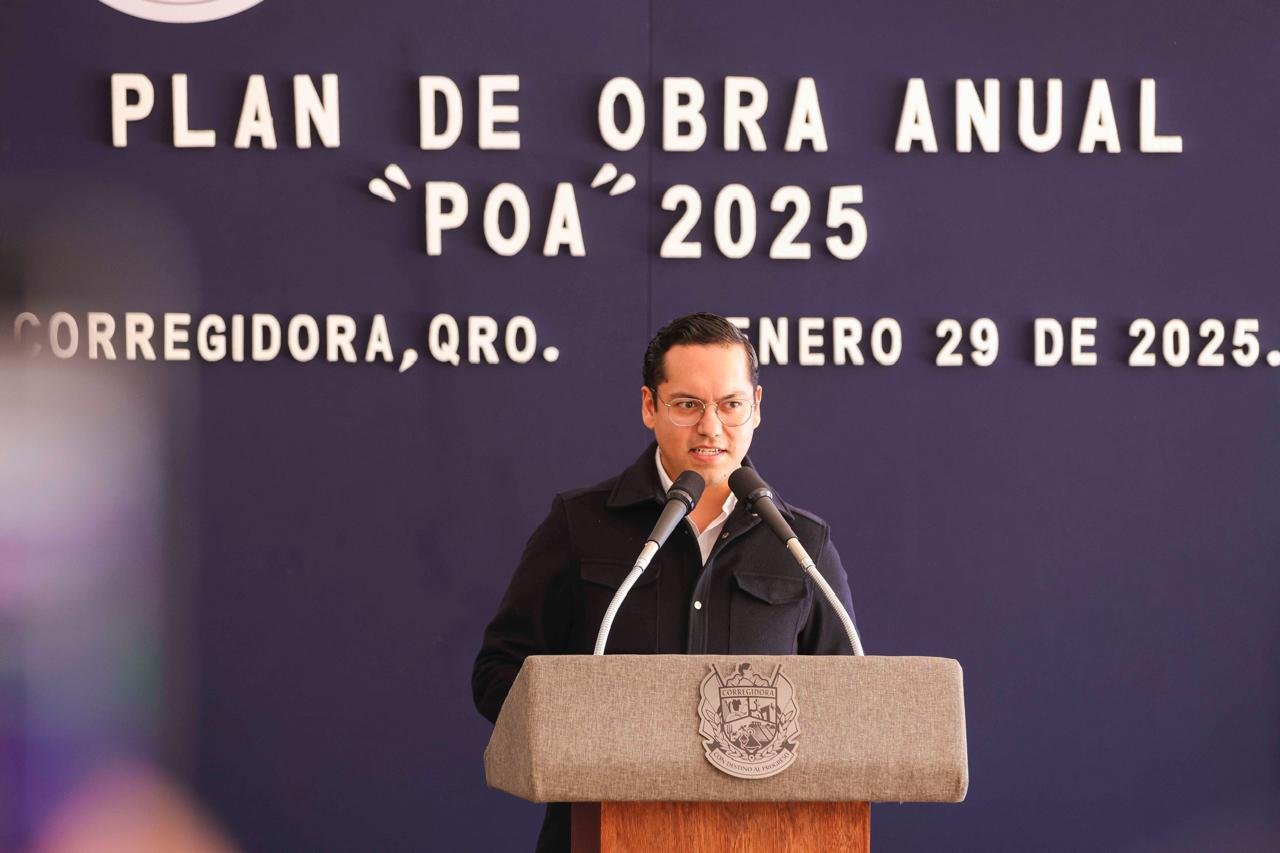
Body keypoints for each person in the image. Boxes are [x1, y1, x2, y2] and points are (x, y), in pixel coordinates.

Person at [471, 312, 857, 852]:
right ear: (650, 406)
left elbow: (848, 706)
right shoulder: (579, 524)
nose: (711, 427)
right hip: (601, 829)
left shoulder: (801, 545)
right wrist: (586, 730)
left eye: (730, 404)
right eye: (687, 405)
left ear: (756, 406)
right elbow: (498, 672)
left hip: (761, 836)